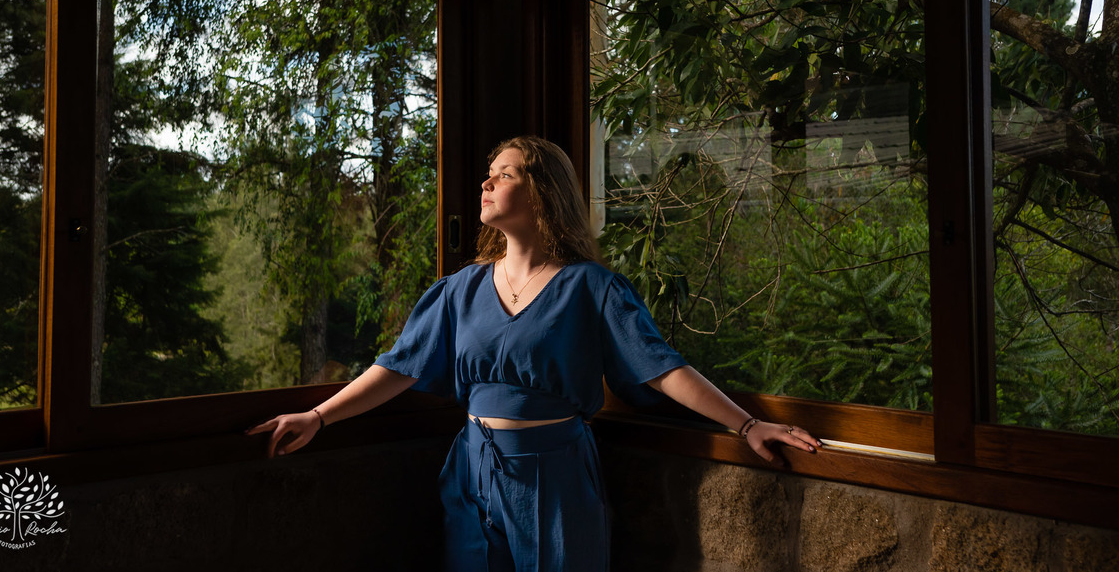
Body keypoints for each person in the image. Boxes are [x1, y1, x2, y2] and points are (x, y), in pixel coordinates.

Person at [248, 135, 821, 571]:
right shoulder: (459, 289)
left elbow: (661, 366)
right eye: (487, 175)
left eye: (504, 175)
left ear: (541, 191)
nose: (486, 184)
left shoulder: (591, 288)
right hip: (472, 471)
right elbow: (397, 367)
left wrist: (747, 426)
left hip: (557, 477)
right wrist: (317, 415)